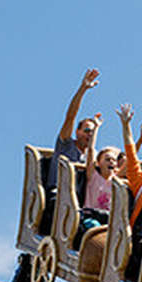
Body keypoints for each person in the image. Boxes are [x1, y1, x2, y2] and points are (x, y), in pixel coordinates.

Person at [41, 68, 101, 229]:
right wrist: (83, 89)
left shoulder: (91, 156)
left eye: (93, 132)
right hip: (58, 196)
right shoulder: (66, 144)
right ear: (77, 131)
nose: (89, 134)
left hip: (79, 203)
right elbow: (71, 116)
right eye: (87, 130)